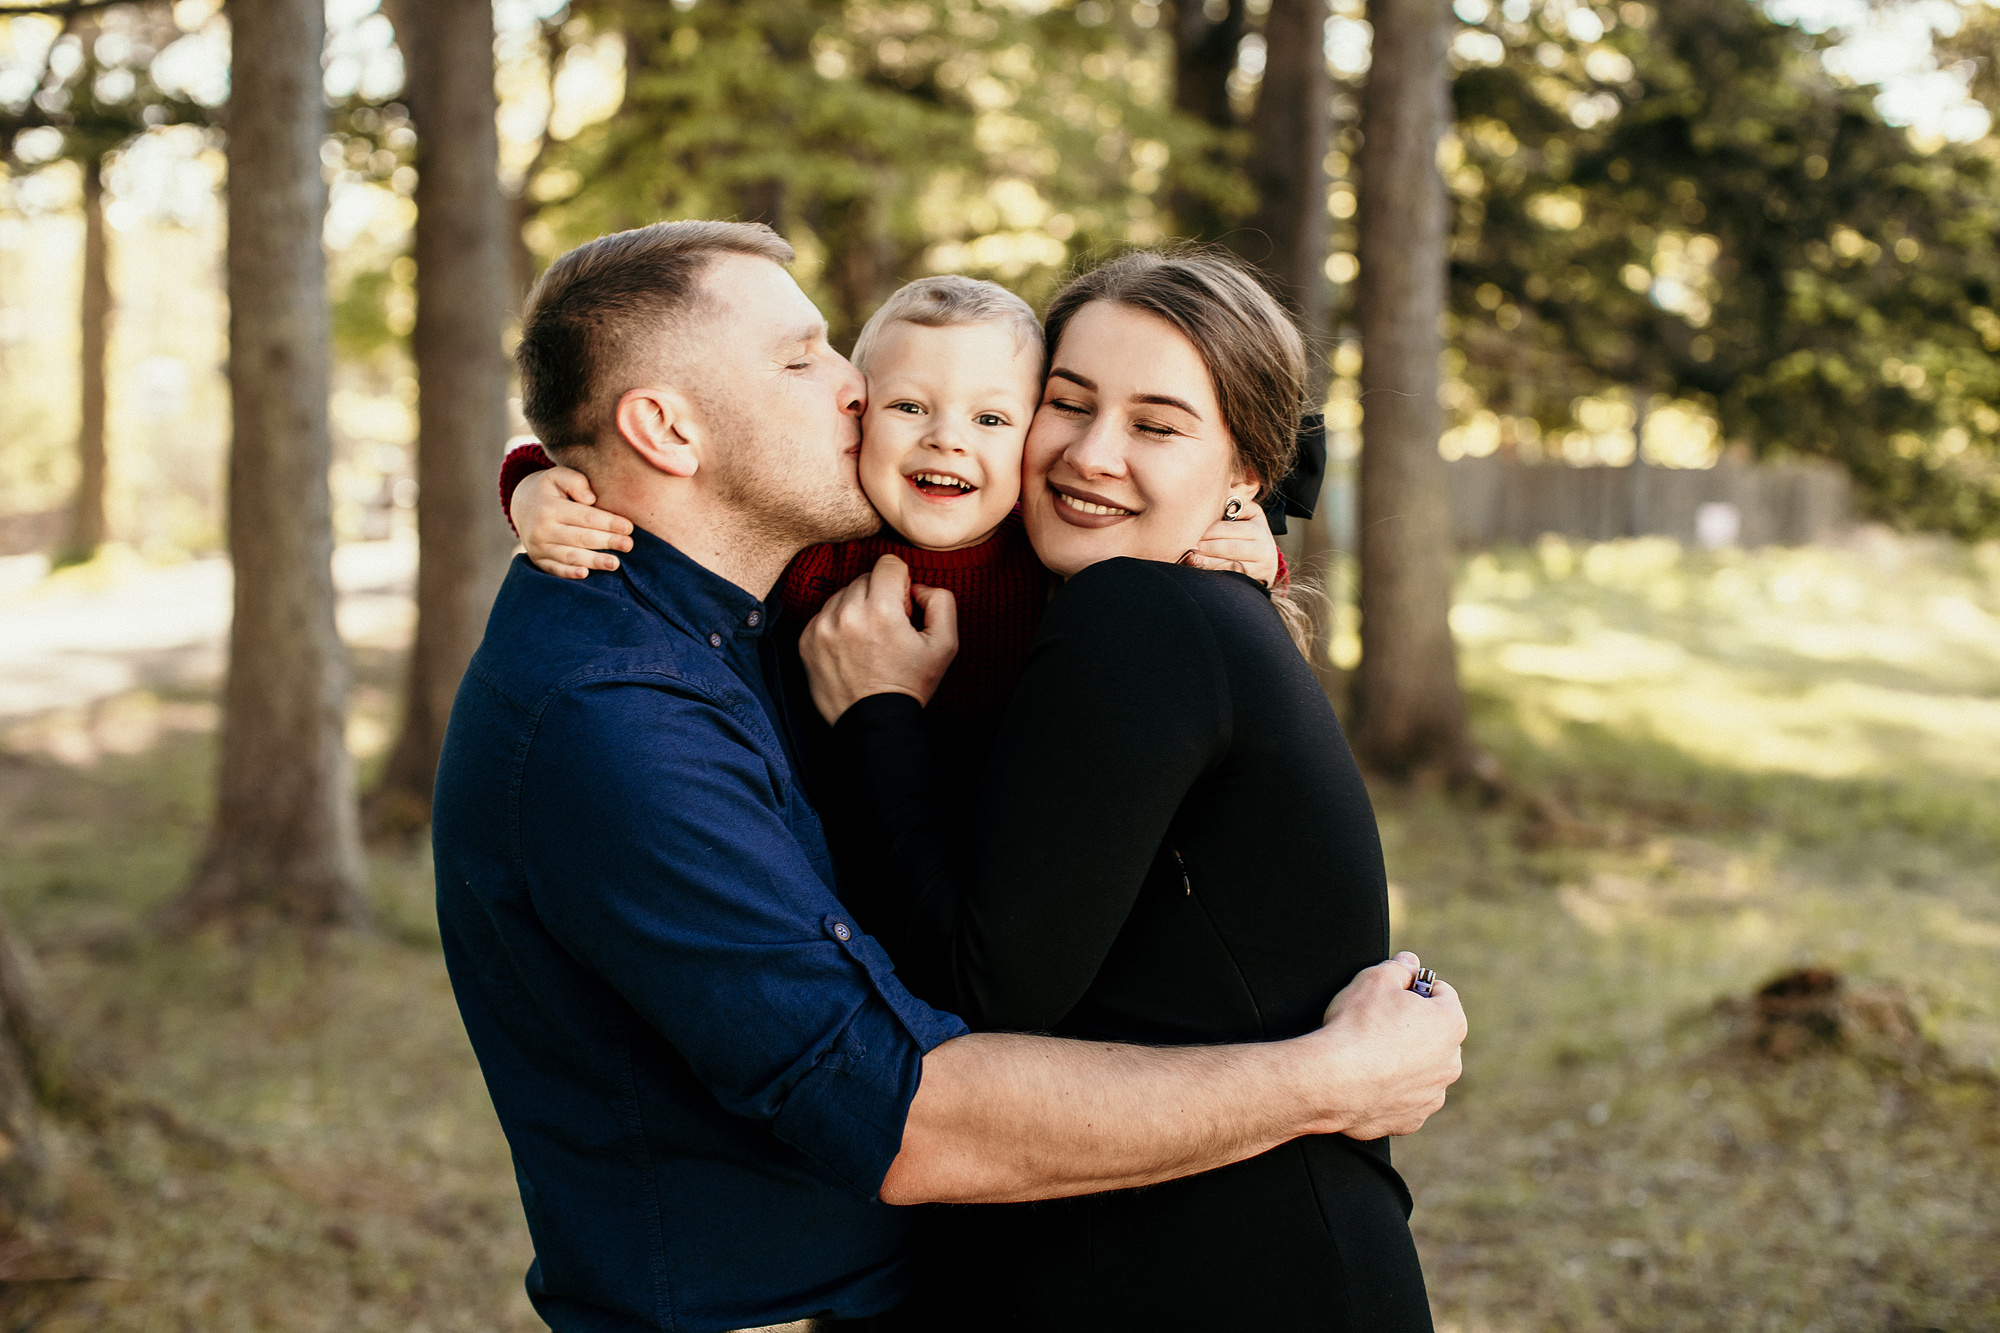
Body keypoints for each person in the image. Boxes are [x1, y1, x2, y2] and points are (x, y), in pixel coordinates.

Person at [432, 220, 1465, 1333]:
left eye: (1001, 414)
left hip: (1226, 1267)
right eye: (806, 359)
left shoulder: (1123, 601)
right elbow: (905, 1094)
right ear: (667, 427)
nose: (856, 394)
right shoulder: (656, 680)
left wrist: (1246, 515)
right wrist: (540, 474)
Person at [803, 249, 1446, 1330]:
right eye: (1066, 403)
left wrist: (875, 713)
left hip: (1220, 1276)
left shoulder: (1142, 616)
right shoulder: (1104, 611)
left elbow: (978, 987)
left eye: (1155, 425)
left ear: (1246, 472)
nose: (1091, 455)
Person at [499, 272, 1279, 940]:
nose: (947, 440)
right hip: (842, 865)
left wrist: (1256, 546)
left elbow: (1167, 524)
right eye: (909, 408)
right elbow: (628, 459)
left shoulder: (1037, 539)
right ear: (856, 412)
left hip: (1008, 865)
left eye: (993, 419)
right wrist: (533, 485)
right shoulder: (824, 534)